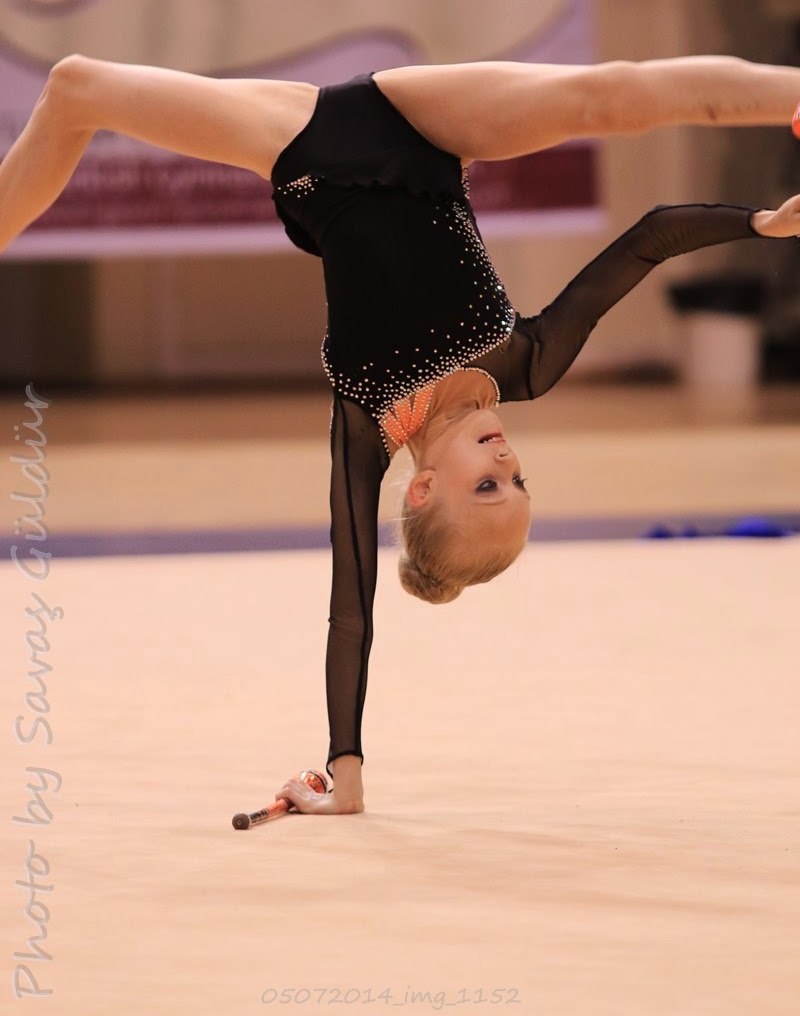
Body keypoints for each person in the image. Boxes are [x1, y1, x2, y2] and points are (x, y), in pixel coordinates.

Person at [2, 54, 799, 817]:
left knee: (76, 86)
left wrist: (344, 774)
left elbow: (350, 611)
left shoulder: (365, 420)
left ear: (420, 490)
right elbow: (651, 237)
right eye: (519, 482)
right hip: (424, 124)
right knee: (611, 95)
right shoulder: (529, 365)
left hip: (303, 146)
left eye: (487, 486)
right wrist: (759, 224)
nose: (507, 461)